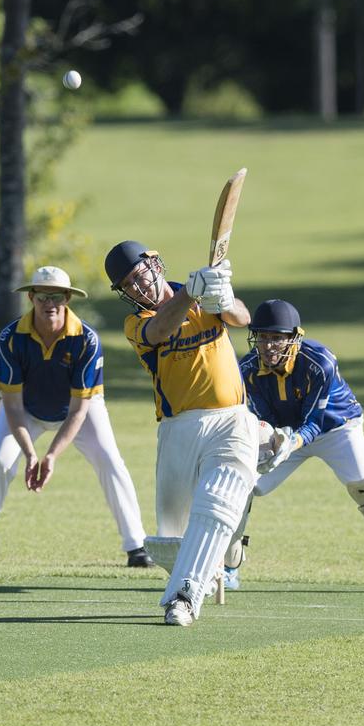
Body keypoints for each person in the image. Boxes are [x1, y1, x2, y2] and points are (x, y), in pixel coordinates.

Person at [227, 298, 364, 594]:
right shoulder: (246, 369)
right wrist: (272, 439)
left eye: (276, 338)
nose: (268, 346)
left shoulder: (319, 362)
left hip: (336, 427)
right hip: (284, 434)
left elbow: (314, 420)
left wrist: (292, 441)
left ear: (294, 338)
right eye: (262, 337)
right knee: (241, 482)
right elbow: (264, 417)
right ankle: (226, 568)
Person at [0, 265, 153, 568]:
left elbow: (78, 410)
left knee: (110, 460)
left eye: (58, 297)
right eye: (44, 296)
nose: (50, 304)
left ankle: (136, 546)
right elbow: (11, 405)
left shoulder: (87, 339)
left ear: (68, 299)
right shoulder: (11, 338)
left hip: (79, 410)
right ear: (31, 297)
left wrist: (51, 456)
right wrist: (30, 453)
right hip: (26, 410)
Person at [104, 240, 259, 627]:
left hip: (232, 419)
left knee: (216, 504)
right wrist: (192, 292)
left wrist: (222, 297)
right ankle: (218, 556)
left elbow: (243, 318)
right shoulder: (136, 323)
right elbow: (160, 330)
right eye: (128, 286)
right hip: (178, 429)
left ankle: (184, 597)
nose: (138, 289)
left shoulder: (203, 298)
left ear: (155, 264)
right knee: (171, 536)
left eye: (139, 276)